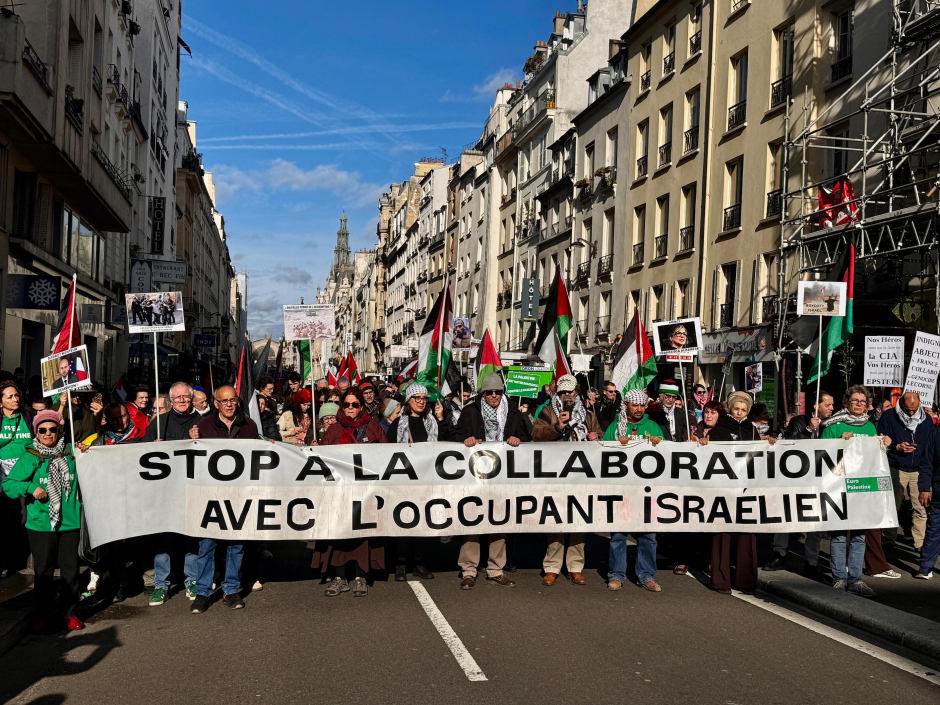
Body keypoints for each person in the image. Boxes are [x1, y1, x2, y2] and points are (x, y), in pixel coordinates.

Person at [3, 410, 84, 632]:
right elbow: (9, 484)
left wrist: (86, 450)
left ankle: (69, 613)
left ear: (60, 430)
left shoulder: (72, 452)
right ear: (36, 432)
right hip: (41, 524)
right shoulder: (30, 455)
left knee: (71, 570)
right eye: (43, 430)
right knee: (44, 572)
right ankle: (44, 614)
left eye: (52, 429)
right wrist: (30, 487)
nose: (48, 433)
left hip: (70, 522)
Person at [455, 373, 529, 590]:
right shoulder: (470, 411)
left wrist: (518, 439)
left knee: (499, 521)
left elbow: (527, 437)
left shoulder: (513, 411)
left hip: (502, 476)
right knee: (472, 521)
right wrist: (465, 439)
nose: (494, 395)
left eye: (497, 392)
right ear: (482, 394)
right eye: (489, 392)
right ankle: (469, 570)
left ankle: (496, 569)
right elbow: (454, 434)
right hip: (475, 476)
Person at [191, 386, 260, 614]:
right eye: (224, 401)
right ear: (216, 403)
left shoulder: (249, 426)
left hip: (239, 495)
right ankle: (202, 593)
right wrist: (191, 441)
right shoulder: (203, 426)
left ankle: (230, 590)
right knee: (207, 545)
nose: (229, 405)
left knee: (236, 546)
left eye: (233, 400)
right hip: (211, 496)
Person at [314, 386, 387, 597]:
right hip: (339, 492)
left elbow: (386, 455)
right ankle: (339, 578)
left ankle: (359, 577)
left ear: (362, 406)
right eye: (346, 404)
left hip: (365, 493)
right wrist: (314, 450)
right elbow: (324, 460)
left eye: (355, 404)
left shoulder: (373, 428)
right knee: (339, 534)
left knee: (362, 535)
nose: (351, 408)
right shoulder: (334, 430)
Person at [531, 374, 602, 586]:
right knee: (557, 519)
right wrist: (557, 427)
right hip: (557, 474)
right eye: (563, 392)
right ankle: (552, 567)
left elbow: (600, 434)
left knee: (578, 519)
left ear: (576, 392)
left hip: (582, 474)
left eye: (570, 391)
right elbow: (536, 434)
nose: (567, 395)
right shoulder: (548, 411)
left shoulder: (588, 414)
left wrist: (596, 436)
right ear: (558, 393)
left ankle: (575, 567)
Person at [821, 385, 891, 596]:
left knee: (860, 536)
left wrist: (884, 444)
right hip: (839, 487)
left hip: (862, 488)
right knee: (840, 536)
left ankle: (855, 580)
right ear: (846, 403)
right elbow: (820, 454)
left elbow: (874, 459)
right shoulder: (833, 426)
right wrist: (838, 443)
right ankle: (839, 579)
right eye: (855, 401)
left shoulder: (870, 427)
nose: (859, 404)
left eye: (863, 401)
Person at [702, 392, 773, 594]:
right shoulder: (719, 429)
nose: (739, 413)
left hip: (745, 487)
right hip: (723, 487)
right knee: (721, 533)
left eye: (743, 410)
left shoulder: (752, 430)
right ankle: (720, 581)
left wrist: (770, 444)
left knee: (746, 532)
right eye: (736, 409)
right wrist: (704, 444)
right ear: (730, 409)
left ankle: (746, 580)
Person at [140, 383, 200, 606]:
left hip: (192, 490)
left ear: (191, 398)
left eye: (186, 396)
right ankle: (161, 585)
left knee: (192, 538)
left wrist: (200, 439)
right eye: (177, 397)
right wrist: (153, 447)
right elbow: (141, 454)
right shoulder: (159, 423)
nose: (182, 400)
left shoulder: (203, 422)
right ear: (171, 401)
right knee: (163, 540)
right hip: (165, 493)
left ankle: (192, 580)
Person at [764, 393, 835, 574]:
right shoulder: (798, 421)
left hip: (819, 479)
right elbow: (789, 444)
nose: (831, 408)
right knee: (786, 515)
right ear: (816, 405)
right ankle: (779, 554)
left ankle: (811, 561)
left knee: (816, 521)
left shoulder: (832, 424)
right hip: (796, 477)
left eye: (832, 405)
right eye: (828, 405)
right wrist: (808, 430)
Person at [386, 383, 449, 581]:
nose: (421, 402)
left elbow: (446, 443)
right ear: (409, 400)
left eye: (424, 398)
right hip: (403, 481)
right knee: (403, 521)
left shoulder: (432, 422)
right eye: (417, 398)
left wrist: (441, 419)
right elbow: (386, 449)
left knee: (422, 522)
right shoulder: (399, 423)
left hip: (426, 481)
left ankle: (419, 562)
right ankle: (400, 563)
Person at [602, 390, 662, 592]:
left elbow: (667, 455)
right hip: (622, 489)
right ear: (626, 405)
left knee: (648, 535)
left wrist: (659, 444)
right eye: (635, 405)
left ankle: (646, 575)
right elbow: (603, 453)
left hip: (647, 490)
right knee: (619, 534)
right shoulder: (614, 427)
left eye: (642, 405)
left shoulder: (653, 427)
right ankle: (616, 574)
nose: (639, 409)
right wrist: (616, 445)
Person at [878, 392, 931, 555]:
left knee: (920, 507)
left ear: (920, 404)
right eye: (907, 409)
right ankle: (889, 538)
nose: (911, 413)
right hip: (896, 466)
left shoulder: (926, 420)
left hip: (918, 469)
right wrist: (896, 446)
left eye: (914, 409)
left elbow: (929, 446)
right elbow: (880, 439)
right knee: (893, 505)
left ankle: (919, 542)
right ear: (900, 403)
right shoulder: (889, 416)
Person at [0, 380, 35, 577]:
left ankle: (23, 558)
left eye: (17, 395)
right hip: (1, 474)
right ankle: (5, 561)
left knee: (23, 517)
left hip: (24, 473)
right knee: (4, 516)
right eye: (10, 396)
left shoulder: (28, 415)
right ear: (0, 402)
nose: (15, 399)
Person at [916, 416, 940, 579]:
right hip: (938, 489)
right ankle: (925, 567)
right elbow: (927, 463)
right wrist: (924, 488)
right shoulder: (936, 433)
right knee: (934, 529)